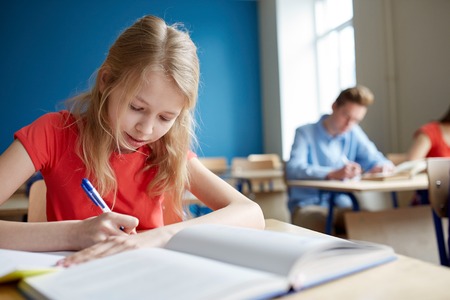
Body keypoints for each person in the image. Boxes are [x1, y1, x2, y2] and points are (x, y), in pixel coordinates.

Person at [0, 15, 264, 265]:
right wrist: (74, 233)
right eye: (136, 107)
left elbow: (251, 213)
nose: (146, 129)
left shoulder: (165, 149)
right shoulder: (53, 133)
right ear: (106, 81)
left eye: (165, 117)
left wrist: (161, 236)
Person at [285, 85, 394, 234]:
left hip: (343, 204)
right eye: (346, 116)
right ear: (334, 106)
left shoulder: (353, 132)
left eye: (356, 120)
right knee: (322, 229)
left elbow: (376, 158)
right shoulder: (305, 133)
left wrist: (383, 166)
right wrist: (331, 173)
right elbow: (293, 169)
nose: (349, 124)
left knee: (371, 223)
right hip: (308, 205)